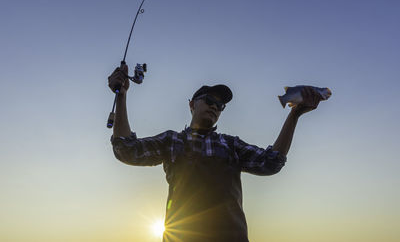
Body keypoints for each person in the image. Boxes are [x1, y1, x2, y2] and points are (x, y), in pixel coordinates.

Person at [108, 65, 322, 242]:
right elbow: (126, 150)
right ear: (192, 105)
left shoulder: (231, 145)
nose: (215, 107)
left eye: (220, 105)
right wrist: (122, 97)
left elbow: (271, 163)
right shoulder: (171, 141)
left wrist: (295, 115)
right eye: (209, 101)